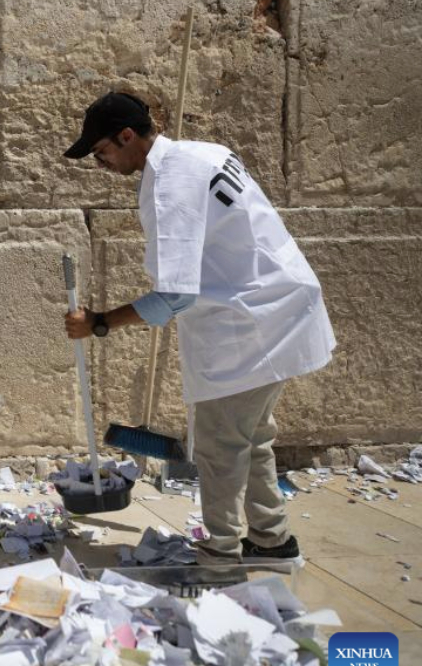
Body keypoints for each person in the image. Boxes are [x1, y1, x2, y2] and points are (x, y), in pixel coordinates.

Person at [62, 92, 336, 565]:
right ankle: (272, 542)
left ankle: (222, 551)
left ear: (127, 136)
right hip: (276, 309)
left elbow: (175, 296)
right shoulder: (203, 153)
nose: (101, 163)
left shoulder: (170, 183)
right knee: (250, 439)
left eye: (102, 151)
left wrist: (101, 323)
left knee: (220, 445)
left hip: (247, 323)